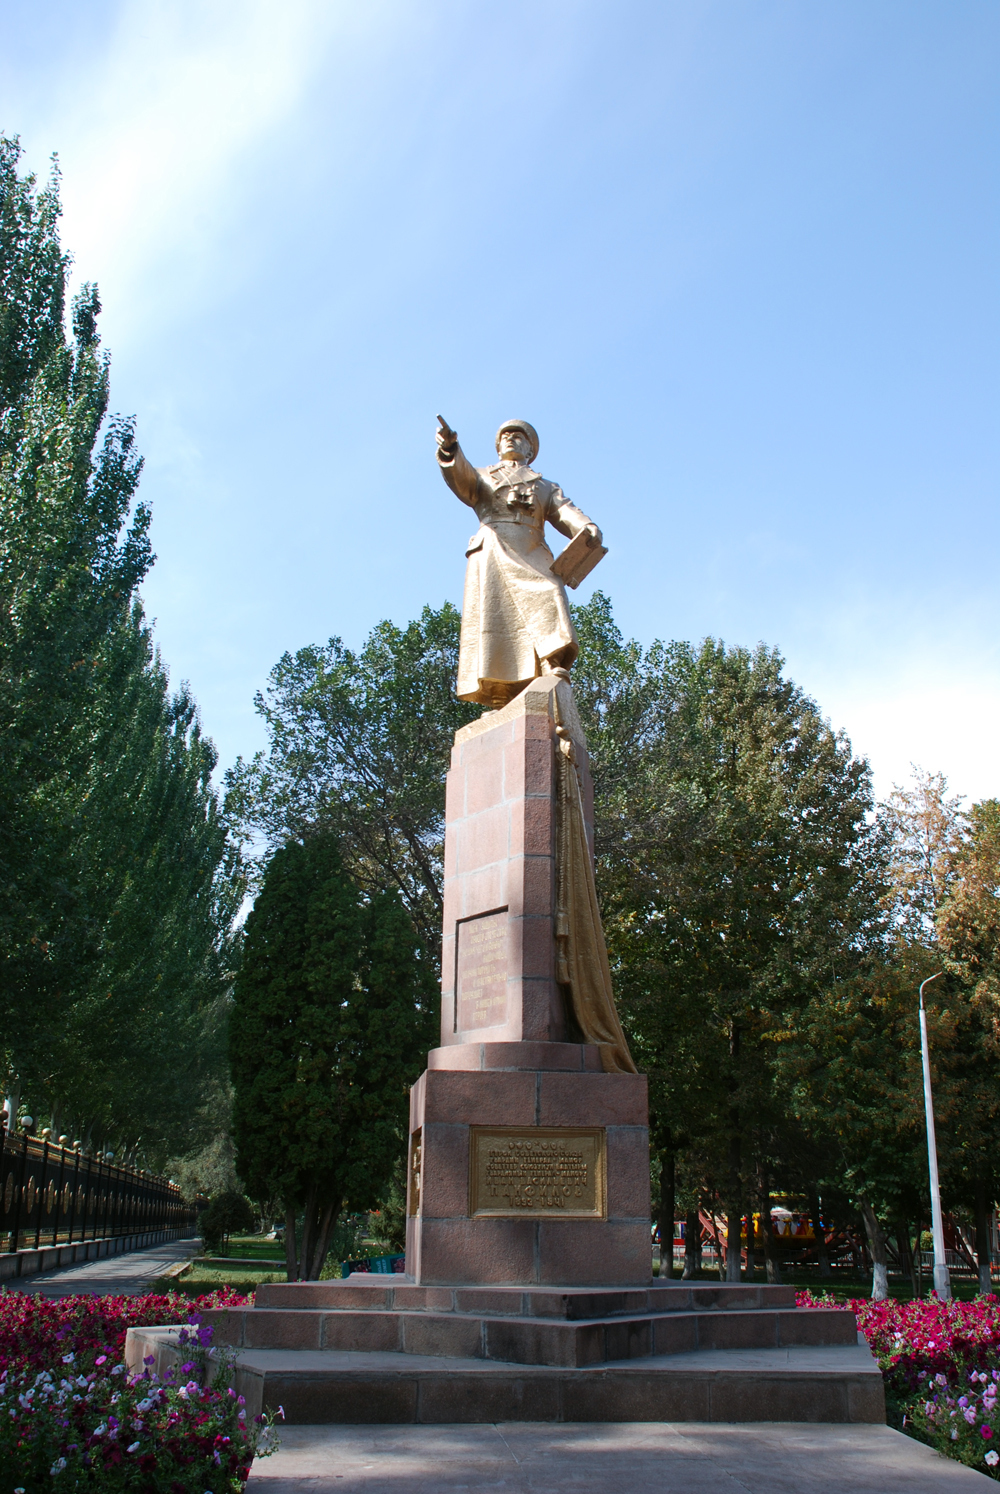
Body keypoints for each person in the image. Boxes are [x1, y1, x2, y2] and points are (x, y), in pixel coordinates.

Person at [436, 417, 604, 707]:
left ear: (530, 449)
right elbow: (460, 477)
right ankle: (502, 693)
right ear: (498, 447)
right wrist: (451, 450)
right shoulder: (483, 475)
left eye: (519, 436)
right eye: (505, 436)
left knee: (550, 590)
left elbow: (565, 511)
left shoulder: (545, 486)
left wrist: (586, 527)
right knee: (495, 615)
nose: (511, 439)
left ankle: (552, 662)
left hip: (531, 546)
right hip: (493, 547)